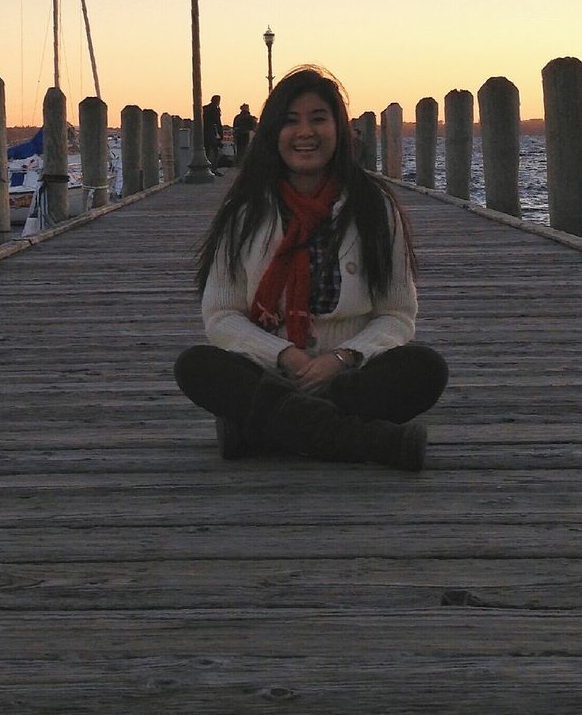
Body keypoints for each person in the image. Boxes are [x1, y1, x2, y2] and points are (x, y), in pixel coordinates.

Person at [174, 66, 448, 471]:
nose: (305, 132)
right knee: (196, 366)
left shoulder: (373, 207)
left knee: (425, 369)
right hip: (268, 370)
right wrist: (286, 356)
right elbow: (222, 316)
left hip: (349, 375)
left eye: (318, 119)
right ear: (272, 133)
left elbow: (396, 315)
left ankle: (261, 428)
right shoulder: (246, 210)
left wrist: (339, 360)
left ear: (338, 129)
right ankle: (372, 441)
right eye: (291, 121)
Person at [202, 94, 223, 171]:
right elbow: (218, 122)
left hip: (204, 131)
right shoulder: (215, 109)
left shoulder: (205, 108)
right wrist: (221, 134)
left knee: (206, 150)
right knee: (215, 150)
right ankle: (214, 169)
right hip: (211, 131)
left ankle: (206, 168)